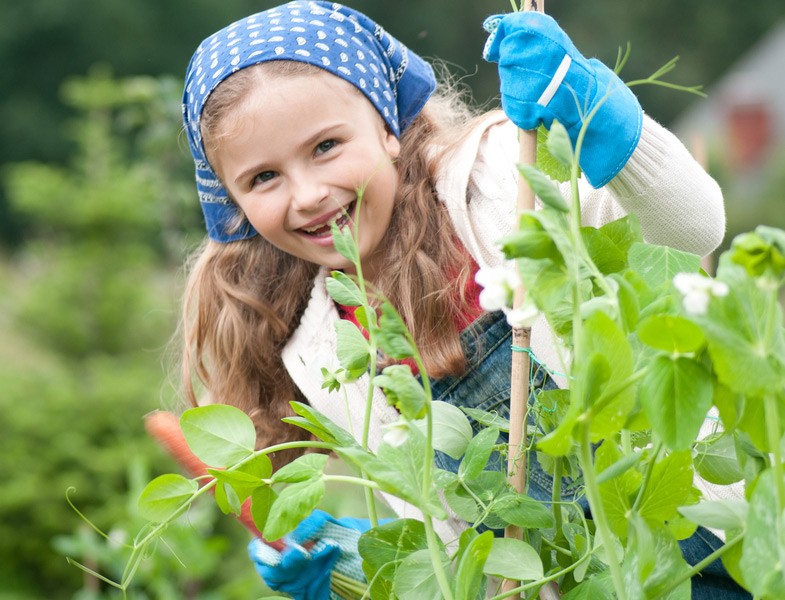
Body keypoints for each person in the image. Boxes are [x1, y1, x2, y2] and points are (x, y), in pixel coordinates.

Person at [178, 2, 746, 598]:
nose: (309, 194)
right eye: (263, 178)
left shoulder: (499, 177)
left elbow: (693, 229)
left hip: (718, 529)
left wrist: (596, 110)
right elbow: (456, 542)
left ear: (387, 128)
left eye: (325, 146)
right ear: (233, 203)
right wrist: (366, 564)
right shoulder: (319, 350)